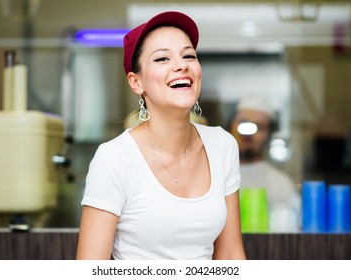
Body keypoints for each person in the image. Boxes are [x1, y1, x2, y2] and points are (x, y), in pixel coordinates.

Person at [76, 11, 246, 260]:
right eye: (162, 58)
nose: (182, 65)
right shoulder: (114, 158)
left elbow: (231, 255)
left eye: (189, 55)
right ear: (136, 83)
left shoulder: (223, 145)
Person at [227, 96, 301, 229]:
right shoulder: (212, 176)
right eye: (242, 123)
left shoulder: (281, 184)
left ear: (269, 135)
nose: (248, 134)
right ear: (230, 126)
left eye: (259, 127)